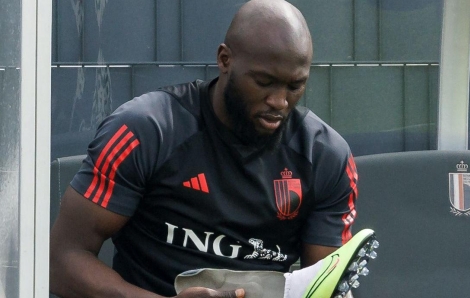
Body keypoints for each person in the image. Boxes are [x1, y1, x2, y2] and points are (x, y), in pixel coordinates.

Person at [50, 0, 359, 297]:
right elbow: (60, 262)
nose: (279, 102)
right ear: (225, 60)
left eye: (295, 86)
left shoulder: (325, 157)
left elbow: (324, 286)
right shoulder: (145, 130)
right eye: (264, 82)